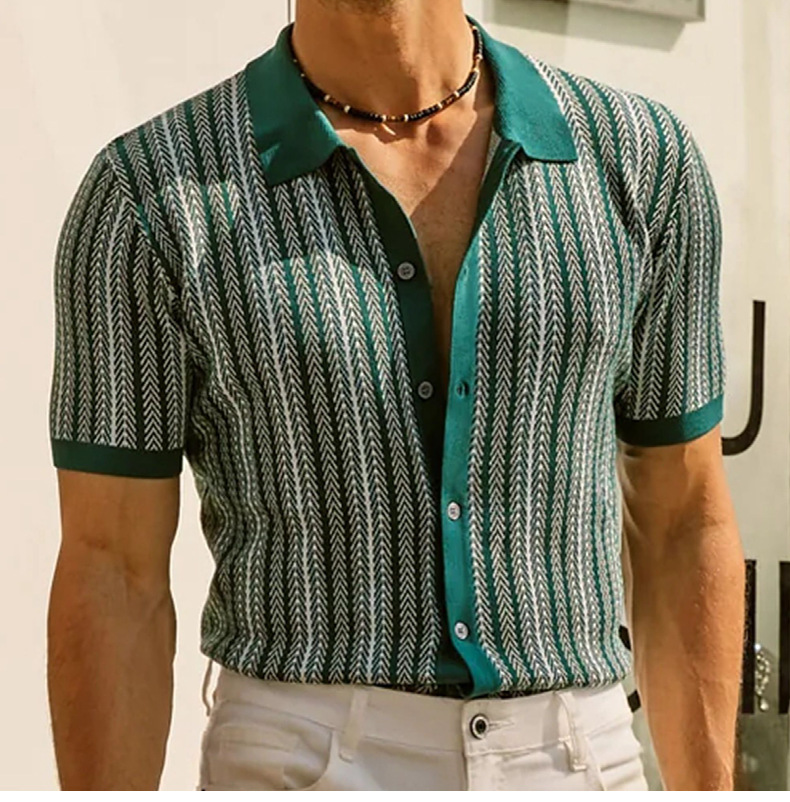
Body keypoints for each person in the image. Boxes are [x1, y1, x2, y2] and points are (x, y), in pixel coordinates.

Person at [46, 0, 745, 792]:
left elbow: (683, 521)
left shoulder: (643, 161)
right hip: (298, 759)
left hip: (579, 758)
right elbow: (113, 571)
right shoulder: (145, 196)